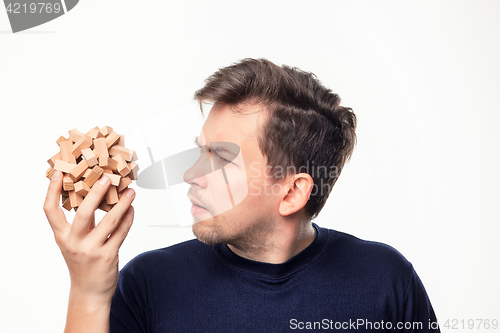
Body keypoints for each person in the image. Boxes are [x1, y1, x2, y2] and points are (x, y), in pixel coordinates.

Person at [44, 58, 440, 332]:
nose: (189, 175)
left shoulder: (385, 281)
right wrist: (88, 293)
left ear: (292, 192)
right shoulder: (150, 284)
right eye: (201, 151)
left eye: (219, 159)